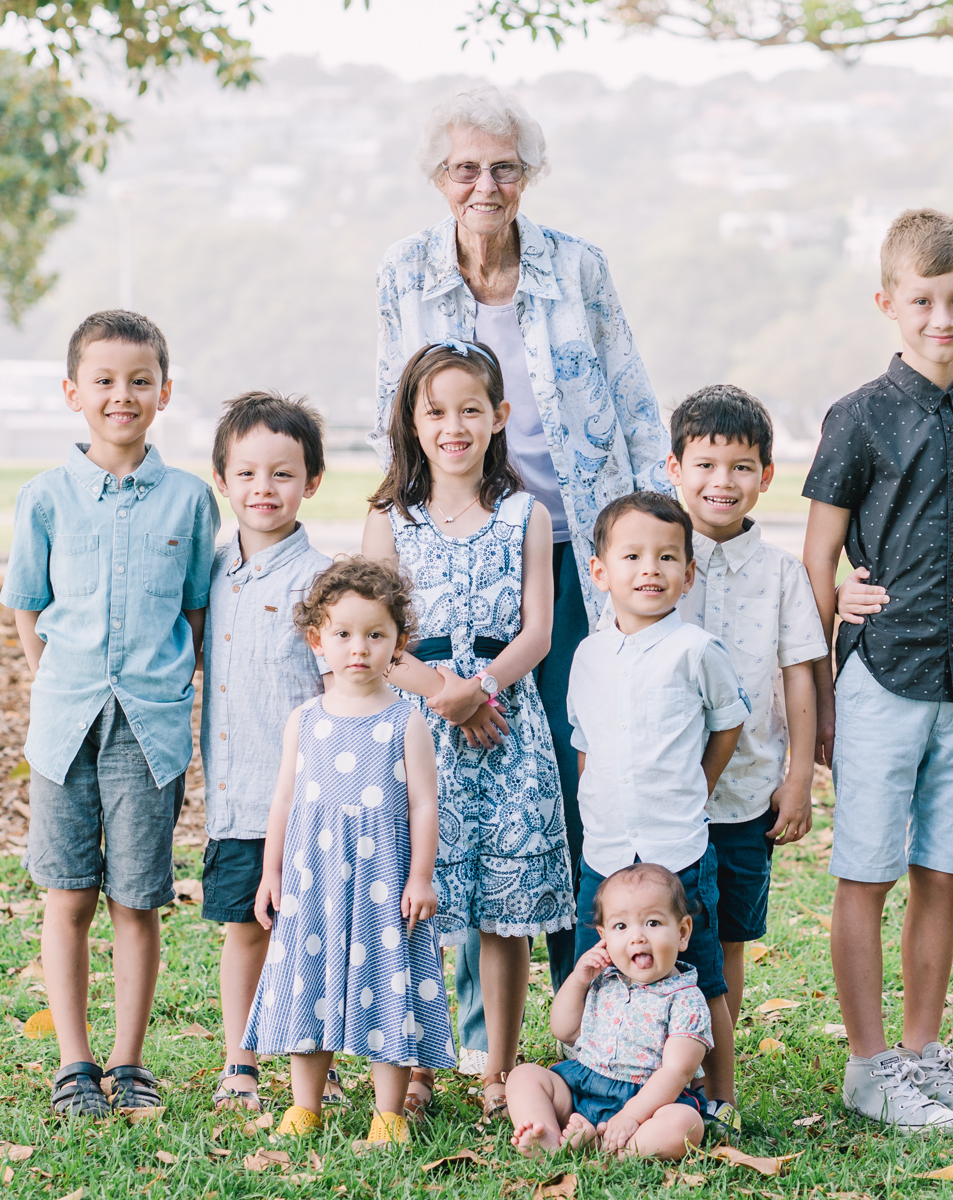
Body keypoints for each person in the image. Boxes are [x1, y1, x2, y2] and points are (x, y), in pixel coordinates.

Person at [375, 85, 671, 1072]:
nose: (485, 185)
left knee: (569, 781)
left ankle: (586, 1012)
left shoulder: (576, 267)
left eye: (503, 166)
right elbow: (394, 406)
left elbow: (631, 402)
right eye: (465, 168)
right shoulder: (405, 275)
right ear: (438, 179)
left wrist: (642, 544)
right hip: (452, 550)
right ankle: (466, 1042)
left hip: (571, 547)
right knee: (451, 796)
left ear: (528, 175)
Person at [802, 209, 953, 1133]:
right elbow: (818, 561)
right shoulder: (858, 417)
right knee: (867, 873)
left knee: (941, 873)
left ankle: (923, 1057)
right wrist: (818, 687)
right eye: (922, 301)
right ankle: (868, 1064)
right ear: (888, 303)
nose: (942, 317)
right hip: (882, 675)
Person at [0, 310, 219, 1118]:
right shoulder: (44, 499)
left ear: (163, 392)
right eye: (103, 380)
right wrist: (59, 682)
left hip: (150, 728)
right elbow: (29, 609)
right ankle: (74, 1062)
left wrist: (160, 686)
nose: (121, 395)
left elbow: (195, 614)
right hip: (64, 725)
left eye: (138, 381)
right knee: (69, 894)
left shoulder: (192, 502)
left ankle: (129, 1062)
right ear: (72, 392)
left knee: (137, 898)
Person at [362, 339, 575, 1119]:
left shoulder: (526, 514)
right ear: (413, 422)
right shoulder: (392, 519)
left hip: (507, 725)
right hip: (418, 729)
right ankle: (418, 1063)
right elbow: (373, 635)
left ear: (499, 417)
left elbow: (539, 632)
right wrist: (444, 694)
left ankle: (497, 1067)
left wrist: (482, 690)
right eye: (436, 412)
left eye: (470, 411)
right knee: (422, 900)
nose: (454, 426)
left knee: (502, 909)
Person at [242, 558, 456, 1144]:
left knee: (386, 987)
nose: (358, 648)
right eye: (342, 634)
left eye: (375, 634)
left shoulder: (406, 719)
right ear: (317, 640)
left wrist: (421, 878)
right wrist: (271, 872)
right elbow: (283, 802)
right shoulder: (305, 719)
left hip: (383, 881)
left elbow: (423, 807)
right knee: (305, 984)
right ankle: (305, 1105)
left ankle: (387, 1114)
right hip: (314, 881)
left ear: (398, 643)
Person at [664, 385, 827, 1136]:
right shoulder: (659, 560)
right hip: (665, 795)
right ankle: (659, 1067)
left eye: (741, 466)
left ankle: (719, 1084)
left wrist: (798, 777)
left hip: (746, 796)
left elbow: (799, 676)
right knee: (661, 935)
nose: (721, 481)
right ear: (675, 467)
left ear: (765, 475)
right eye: (705, 464)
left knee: (725, 941)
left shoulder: (782, 575)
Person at [566, 491, 748, 1118]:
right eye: (633, 556)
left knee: (704, 977)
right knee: (606, 971)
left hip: (677, 849)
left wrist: (699, 781)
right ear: (600, 571)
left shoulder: (695, 649)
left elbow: (729, 722)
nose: (651, 570)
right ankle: (605, 1079)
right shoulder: (587, 656)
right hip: (608, 851)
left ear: (688, 573)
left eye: (668, 558)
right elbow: (585, 744)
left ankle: (719, 1096)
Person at [199, 391, 334, 1113]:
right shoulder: (212, 571)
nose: (263, 490)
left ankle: (321, 1056)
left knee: (316, 934)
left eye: (282, 474)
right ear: (222, 479)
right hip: (236, 797)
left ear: (311, 481)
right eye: (246, 474)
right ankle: (241, 1061)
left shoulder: (322, 581)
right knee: (245, 930)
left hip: (313, 800)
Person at [506, 863, 711, 1160]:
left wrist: (631, 1116)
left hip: (648, 1103)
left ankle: (604, 1147)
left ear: (682, 932)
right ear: (604, 937)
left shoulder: (687, 1001)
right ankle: (547, 1135)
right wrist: (579, 979)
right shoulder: (604, 981)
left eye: (652, 923)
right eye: (621, 926)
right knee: (523, 1076)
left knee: (685, 1125)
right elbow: (563, 1030)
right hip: (581, 1087)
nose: (637, 937)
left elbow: (677, 1071)